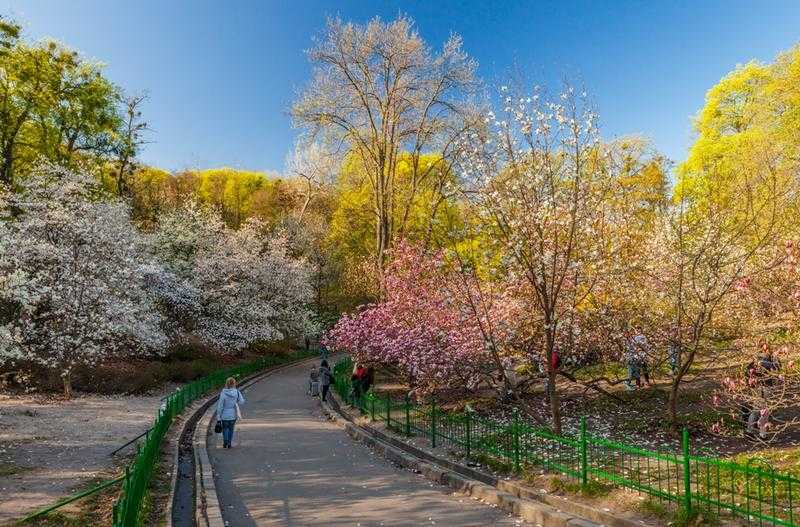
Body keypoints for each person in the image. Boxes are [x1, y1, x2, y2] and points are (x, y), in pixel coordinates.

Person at [216, 377, 245, 449]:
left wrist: (218, 416)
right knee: (231, 429)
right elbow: (242, 401)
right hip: (233, 414)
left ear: (226, 384)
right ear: (234, 383)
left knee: (225, 428)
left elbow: (220, 405)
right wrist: (235, 401)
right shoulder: (237, 392)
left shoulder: (223, 393)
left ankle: (225, 442)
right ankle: (229, 443)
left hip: (224, 415)